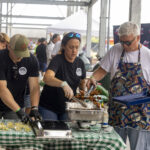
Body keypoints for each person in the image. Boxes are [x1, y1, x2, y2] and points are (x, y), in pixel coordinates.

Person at [87, 21, 150, 150]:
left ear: (138, 38)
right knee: (114, 147)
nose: (125, 46)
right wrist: (92, 78)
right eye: (122, 42)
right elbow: (101, 71)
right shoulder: (115, 49)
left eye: (128, 42)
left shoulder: (147, 55)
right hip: (117, 113)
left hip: (140, 116)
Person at [39, 32, 86, 121]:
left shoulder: (80, 63)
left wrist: (86, 90)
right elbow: (47, 78)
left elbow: (82, 84)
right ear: (63, 46)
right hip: (49, 106)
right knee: (53, 130)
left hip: (68, 107)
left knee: (69, 129)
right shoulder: (57, 60)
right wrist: (63, 84)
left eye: (77, 47)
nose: (74, 51)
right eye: (71, 47)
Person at [0, 34, 41, 123]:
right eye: (17, 53)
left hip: (15, 103)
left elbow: (34, 87)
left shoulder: (31, 60)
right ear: (9, 47)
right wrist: (19, 111)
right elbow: (2, 89)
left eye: (23, 53)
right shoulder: (1, 58)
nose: (20, 56)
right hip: (10, 102)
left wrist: (34, 108)